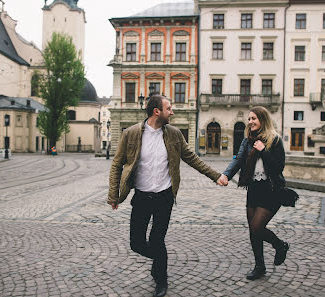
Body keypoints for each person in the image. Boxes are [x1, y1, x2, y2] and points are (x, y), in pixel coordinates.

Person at [108, 95, 226, 297]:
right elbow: (117, 164)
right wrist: (114, 195)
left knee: (157, 240)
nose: (172, 112)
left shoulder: (174, 134)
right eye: (168, 108)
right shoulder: (131, 134)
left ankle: (161, 280)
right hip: (142, 196)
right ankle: (160, 261)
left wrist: (216, 176)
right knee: (136, 243)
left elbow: (192, 159)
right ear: (157, 112)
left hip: (164, 197)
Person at [218, 106, 289, 281]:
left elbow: (278, 167)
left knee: (257, 227)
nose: (250, 122)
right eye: (249, 119)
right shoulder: (247, 141)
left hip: (271, 190)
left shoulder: (275, 140)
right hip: (254, 189)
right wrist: (226, 175)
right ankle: (260, 266)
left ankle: (280, 245)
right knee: (253, 230)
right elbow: (239, 160)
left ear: (262, 120)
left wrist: (263, 151)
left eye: (254, 119)